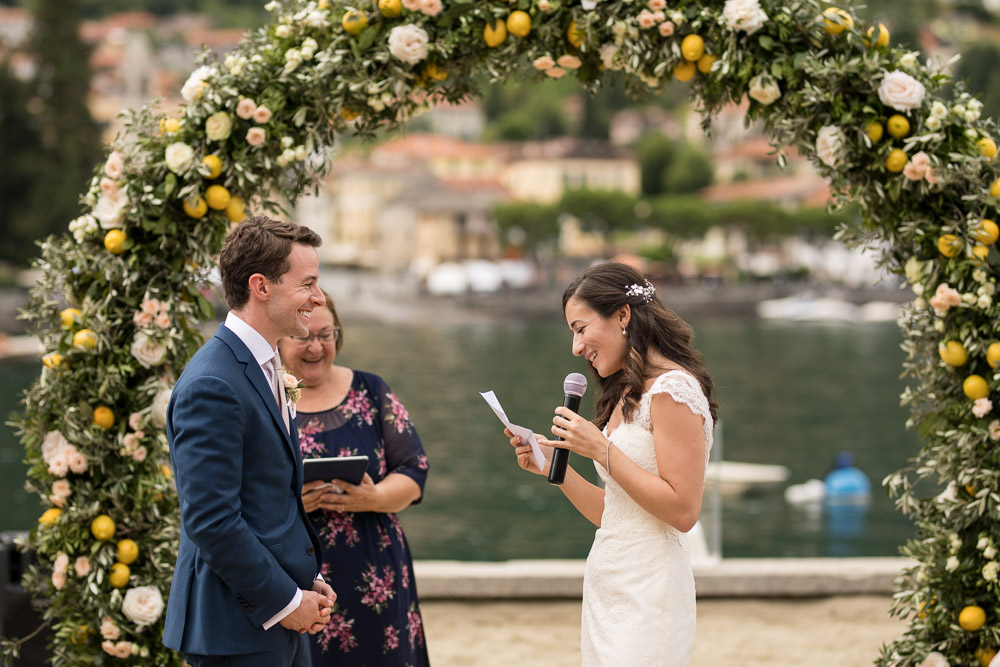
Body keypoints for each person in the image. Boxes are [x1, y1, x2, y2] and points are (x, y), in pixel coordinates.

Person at [506, 261, 718, 666]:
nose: (576, 348)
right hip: (608, 580)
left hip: (651, 590)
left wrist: (601, 450)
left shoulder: (674, 390)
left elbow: (684, 510)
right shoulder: (625, 395)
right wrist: (558, 467)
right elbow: (616, 512)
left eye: (580, 329)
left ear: (622, 315)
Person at [164, 216, 336, 667]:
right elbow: (211, 520)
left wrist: (304, 581)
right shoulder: (213, 383)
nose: (318, 298)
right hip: (235, 630)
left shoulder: (265, 363)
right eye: (308, 284)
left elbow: (267, 497)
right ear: (261, 286)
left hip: (276, 619)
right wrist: (284, 600)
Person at [277, 290, 430, 666]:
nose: (316, 347)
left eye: (325, 335)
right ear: (279, 340)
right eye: (303, 336)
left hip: (376, 571)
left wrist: (372, 498)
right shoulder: (268, 399)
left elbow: (414, 469)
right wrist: (294, 503)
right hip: (298, 583)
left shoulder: (372, 390)